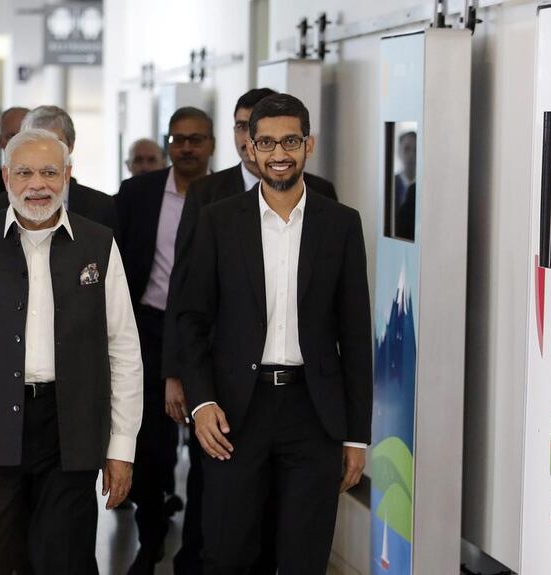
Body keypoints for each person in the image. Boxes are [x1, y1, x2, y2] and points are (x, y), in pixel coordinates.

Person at [0, 128, 144, 574]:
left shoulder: (99, 243)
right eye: (24, 172)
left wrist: (122, 445)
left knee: (63, 561)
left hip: (70, 432)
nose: (36, 184)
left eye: (48, 172)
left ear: (67, 175)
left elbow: (122, 349)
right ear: (6, 176)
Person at [178, 93, 372, 574]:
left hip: (314, 413)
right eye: (266, 142)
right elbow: (190, 320)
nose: (278, 153)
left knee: (304, 557)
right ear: (249, 146)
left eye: (290, 141)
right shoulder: (218, 221)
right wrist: (201, 403)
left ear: (309, 145)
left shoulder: (342, 224)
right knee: (227, 554)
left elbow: (355, 331)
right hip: (234, 414)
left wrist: (356, 435)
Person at [115, 106, 215, 574]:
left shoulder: (228, 195)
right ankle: (150, 536)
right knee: (150, 449)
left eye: (196, 139)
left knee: (206, 453)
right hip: (148, 331)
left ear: (211, 144)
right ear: (168, 144)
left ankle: (193, 552)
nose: (187, 147)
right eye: (178, 139)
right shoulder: (138, 194)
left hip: (210, 339)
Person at [0, 105, 119, 240]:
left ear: (71, 145)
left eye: (54, 143)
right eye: (33, 142)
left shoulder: (101, 206)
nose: (43, 151)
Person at [0, 106, 30, 195]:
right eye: (11, 136)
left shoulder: (53, 183)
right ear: (0, 141)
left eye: (24, 135)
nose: (18, 143)